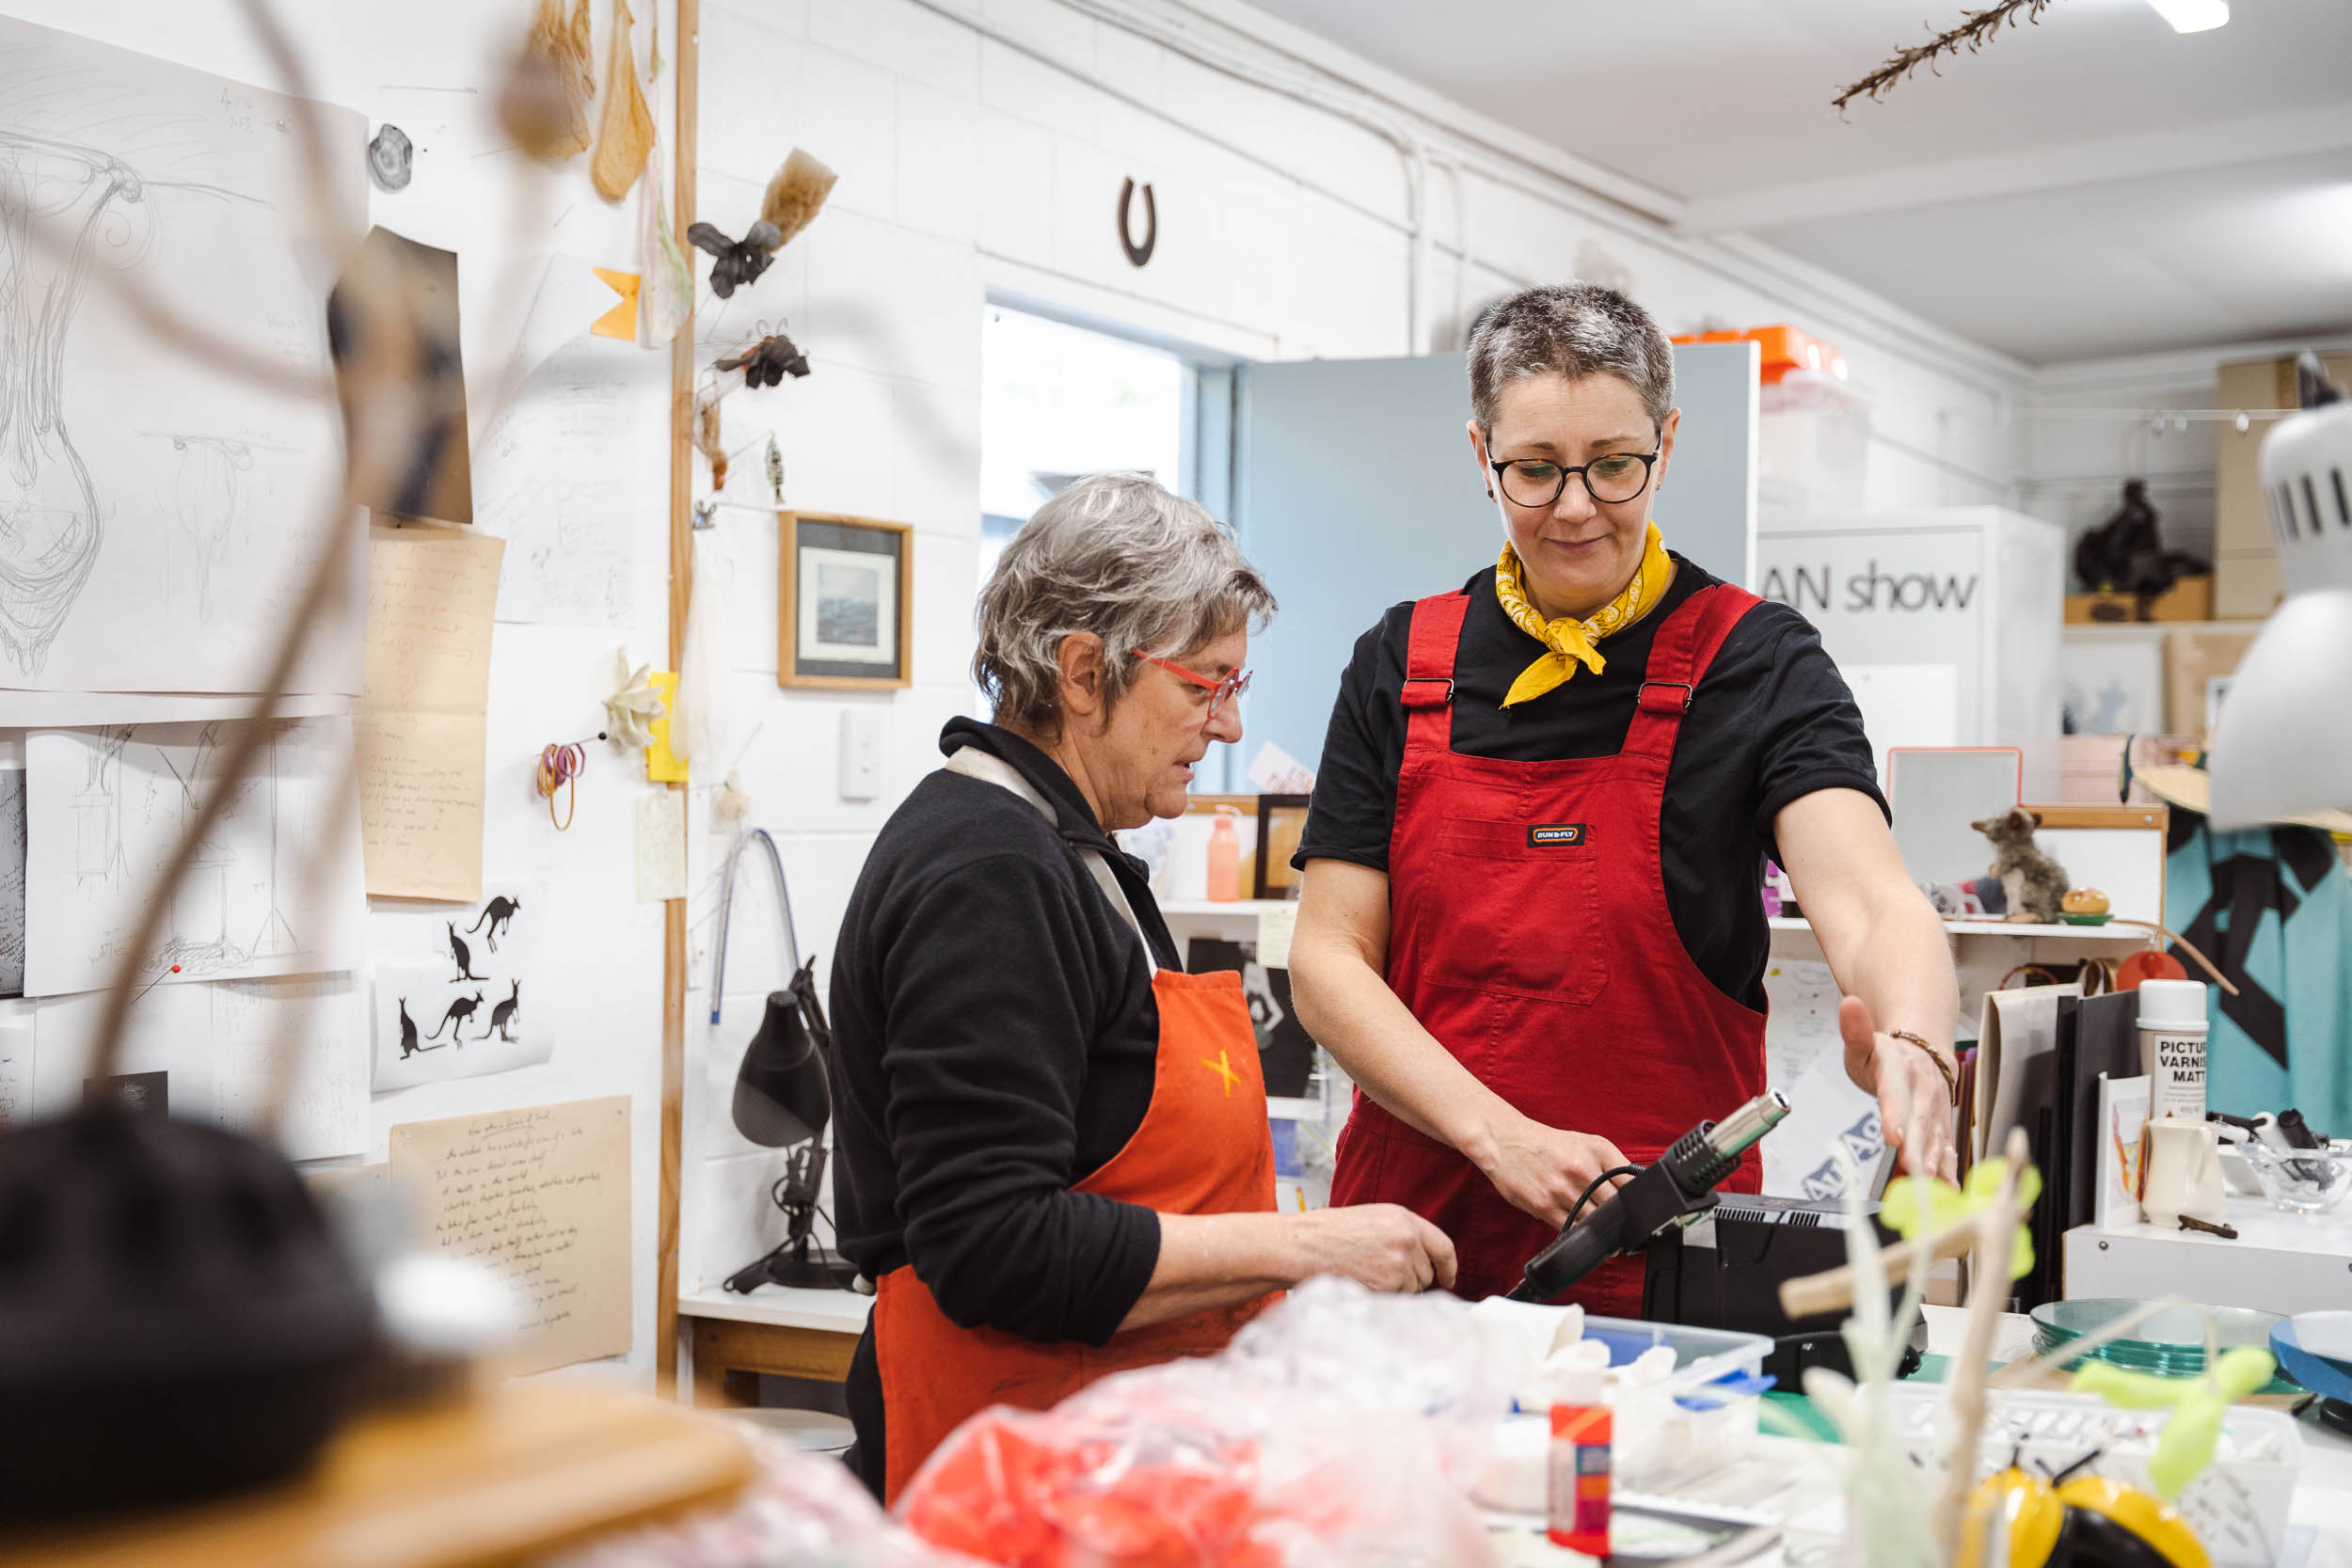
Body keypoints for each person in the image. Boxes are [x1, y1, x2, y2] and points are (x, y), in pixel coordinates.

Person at [1287, 284, 1961, 1313]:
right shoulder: (1399, 660)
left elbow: (1869, 898)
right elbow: (1328, 958)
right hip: (1409, 1245)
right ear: (1481, 455)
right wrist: (1495, 1133)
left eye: (1613, 465)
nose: (1574, 507)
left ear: (1668, 441)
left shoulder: (1754, 661)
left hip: (1661, 1245)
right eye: (1534, 470)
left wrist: (1913, 1038)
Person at [827, 473, 1455, 1502]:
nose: (1228, 726)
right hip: (1012, 1466)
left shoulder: (1071, 852)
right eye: (1206, 684)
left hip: (1115, 1446)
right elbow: (991, 1242)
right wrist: (1307, 1245)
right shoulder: (988, 872)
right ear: (1083, 671)